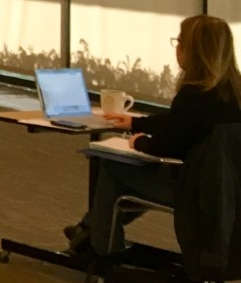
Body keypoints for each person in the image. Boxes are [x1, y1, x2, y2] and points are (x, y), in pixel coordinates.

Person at [66, 15, 241, 257]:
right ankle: (90, 230)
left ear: (194, 51)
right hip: (228, 190)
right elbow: (179, 123)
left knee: (113, 166)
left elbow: (164, 146)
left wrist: (138, 140)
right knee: (128, 178)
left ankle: (104, 250)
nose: (176, 49)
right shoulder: (233, 92)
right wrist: (137, 121)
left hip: (193, 190)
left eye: (179, 42)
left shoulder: (193, 95)